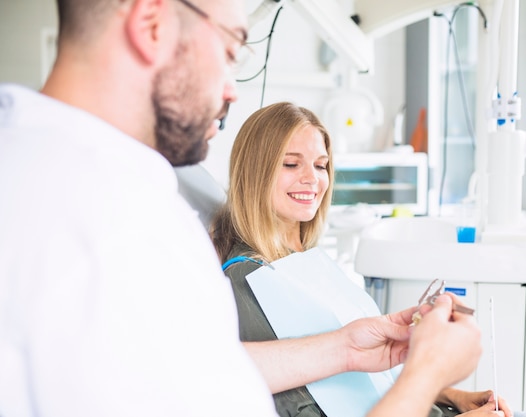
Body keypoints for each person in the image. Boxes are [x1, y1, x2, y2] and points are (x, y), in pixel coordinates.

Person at [0, 1, 481, 416]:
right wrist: (425, 373)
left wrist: (347, 349)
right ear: (152, 25)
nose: (231, 90)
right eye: (230, 50)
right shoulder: (108, 232)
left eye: (320, 165)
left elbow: (200, 368)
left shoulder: (74, 183)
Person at [211, 102, 509, 417]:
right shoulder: (251, 278)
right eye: (290, 164)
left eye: (320, 165)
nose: (312, 179)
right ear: (255, 171)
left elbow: (360, 380)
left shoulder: (306, 260)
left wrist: (451, 395)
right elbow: (303, 408)